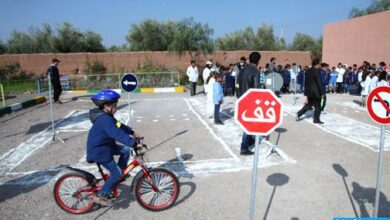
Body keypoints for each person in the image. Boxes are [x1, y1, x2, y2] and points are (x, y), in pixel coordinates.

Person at [87, 90, 140, 203]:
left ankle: (118, 176)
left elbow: (118, 125)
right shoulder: (105, 120)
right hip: (100, 152)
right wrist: (134, 143)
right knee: (117, 173)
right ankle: (101, 194)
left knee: (125, 150)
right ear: (107, 106)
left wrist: (131, 132)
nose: (116, 108)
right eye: (115, 105)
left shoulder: (107, 117)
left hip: (105, 147)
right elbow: (118, 134)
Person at [236, 52, 261, 156]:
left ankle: (249, 140)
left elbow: (237, 85)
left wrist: (240, 98)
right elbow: (256, 88)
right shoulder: (255, 71)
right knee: (248, 124)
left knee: (247, 122)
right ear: (258, 61)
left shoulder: (242, 70)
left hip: (242, 99)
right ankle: (244, 147)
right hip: (250, 100)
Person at [296, 58, 324, 124]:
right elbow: (319, 82)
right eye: (320, 63)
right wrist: (322, 92)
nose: (321, 65)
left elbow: (305, 82)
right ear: (317, 64)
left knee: (309, 105)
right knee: (318, 106)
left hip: (309, 92)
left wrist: (306, 92)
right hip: (316, 92)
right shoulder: (317, 71)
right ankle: (316, 120)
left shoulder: (307, 71)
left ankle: (298, 113)